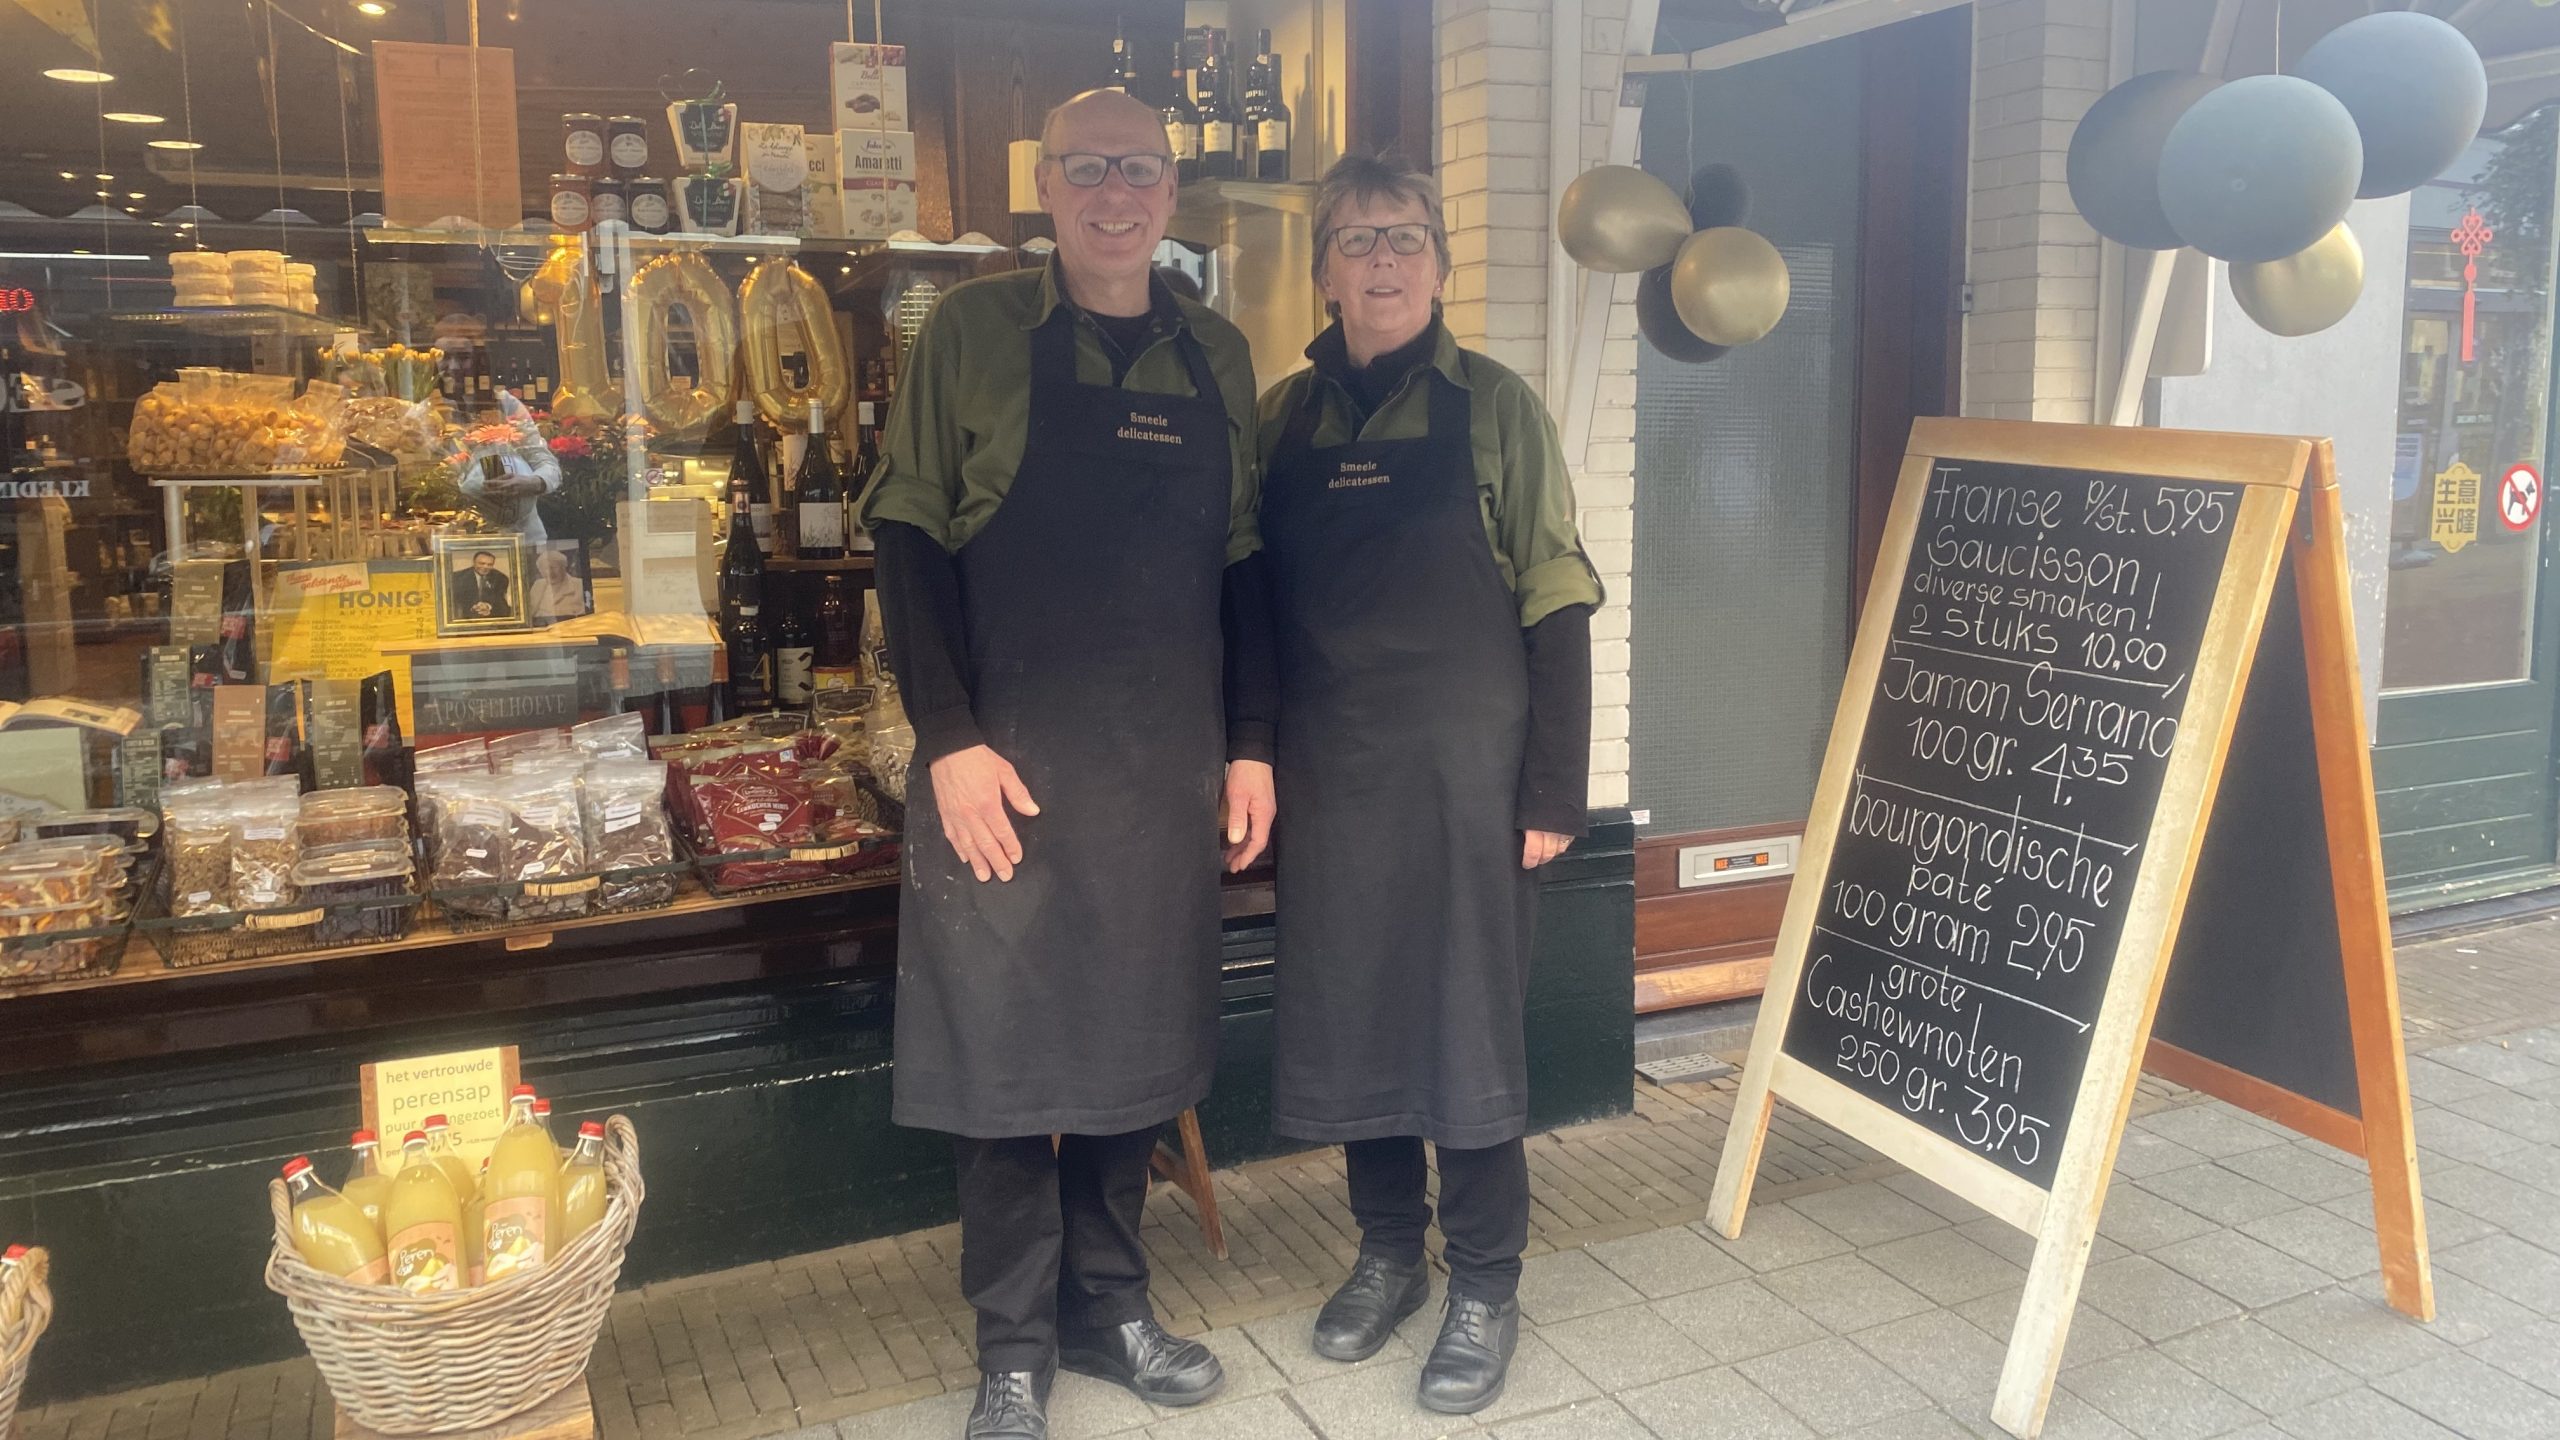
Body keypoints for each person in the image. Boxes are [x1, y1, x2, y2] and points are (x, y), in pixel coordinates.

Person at [857, 88, 1275, 1440]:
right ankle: (1015, 1348)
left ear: (1170, 189)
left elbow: (1243, 570)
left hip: (1163, 764)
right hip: (1007, 762)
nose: (1115, 192)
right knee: (1003, 1062)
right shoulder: (973, 333)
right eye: (1089, 168)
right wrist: (950, 739)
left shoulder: (1215, 349)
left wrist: (1254, 745)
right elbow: (909, 540)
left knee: (1132, 1046)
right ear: (1046, 184)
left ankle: (1113, 1306)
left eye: (1140, 169)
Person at [1244, 155, 1598, 1416]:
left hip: (1470, 774)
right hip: (1330, 771)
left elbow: (1554, 595)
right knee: (1355, 1011)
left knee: (1467, 1024)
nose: (1381, 262)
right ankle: (1389, 1250)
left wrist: (1556, 788)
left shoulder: (1495, 405)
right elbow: (1251, 602)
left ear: (1440, 265)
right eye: (1355, 240)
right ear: (1325, 269)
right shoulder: (1279, 419)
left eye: (1403, 239)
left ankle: (1487, 1285)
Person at [449, 549, 515, 621]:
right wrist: (475, 607)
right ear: (474, 563)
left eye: (490, 564)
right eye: (481, 563)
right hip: (467, 615)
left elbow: (500, 600)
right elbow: (457, 600)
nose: (485, 567)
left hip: (491, 614)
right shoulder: (457, 577)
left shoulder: (501, 578)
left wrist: (488, 606)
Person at [528, 546, 588, 621]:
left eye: (554, 567)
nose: (549, 572)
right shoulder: (538, 585)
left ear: (564, 566)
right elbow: (529, 612)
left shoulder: (579, 585)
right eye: (545, 568)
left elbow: (586, 617)